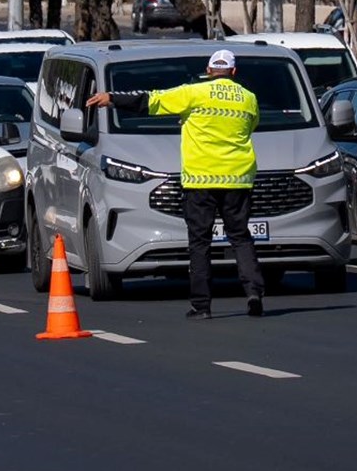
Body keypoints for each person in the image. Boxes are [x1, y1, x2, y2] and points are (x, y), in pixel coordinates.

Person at [87, 49, 265, 319]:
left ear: (209, 70)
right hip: (238, 180)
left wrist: (111, 98)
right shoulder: (248, 98)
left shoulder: (193, 93)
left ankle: (202, 306)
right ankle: (253, 293)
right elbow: (251, 127)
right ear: (233, 72)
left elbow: (151, 100)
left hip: (200, 180)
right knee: (240, 237)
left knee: (200, 243)